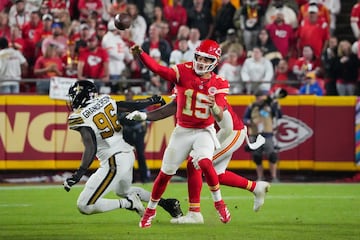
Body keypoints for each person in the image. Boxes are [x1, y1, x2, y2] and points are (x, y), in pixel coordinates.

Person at [129, 39, 232, 228]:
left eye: (206, 59)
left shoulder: (219, 82)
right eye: (199, 57)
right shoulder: (183, 71)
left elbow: (219, 115)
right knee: (165, 173)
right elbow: (159, 70)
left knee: (203, 161)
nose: (201, 62)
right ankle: (150, 211)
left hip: (204, 130)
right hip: (182, 130)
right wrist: (141, 54)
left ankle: (219, 203)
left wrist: (214, 106)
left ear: (214, 62)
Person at [126, 95, 270, 224]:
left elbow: (227, 127)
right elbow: (172, 109)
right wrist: (146, 116)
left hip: (231, 133)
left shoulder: (207, 92)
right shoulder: (189, 88)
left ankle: (194, 213)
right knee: (217, 175)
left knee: (194, 163)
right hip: (220, 133)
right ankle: (256, 188)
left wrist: (208, 149)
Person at [63, 80, 184, 219]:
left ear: (80, 96)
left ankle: (129, 203)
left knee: (85, 205)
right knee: (124, 191)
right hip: (126, 154)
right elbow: (130, 106)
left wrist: (78, 174)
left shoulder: (79, 116)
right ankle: (168, 204)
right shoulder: (105, 100)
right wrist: (151, 100)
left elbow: (91, 146)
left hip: (114, 160)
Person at [243, 89, 283, 183]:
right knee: (257, 156)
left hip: (267, 133)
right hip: (255, 133)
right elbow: (245, 118)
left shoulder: (270, 105)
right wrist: (251, 122)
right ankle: (260, 177)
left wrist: (277, 107)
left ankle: (274, 177)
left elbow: (279, 116)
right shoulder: (252, 106)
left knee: (272, 155)